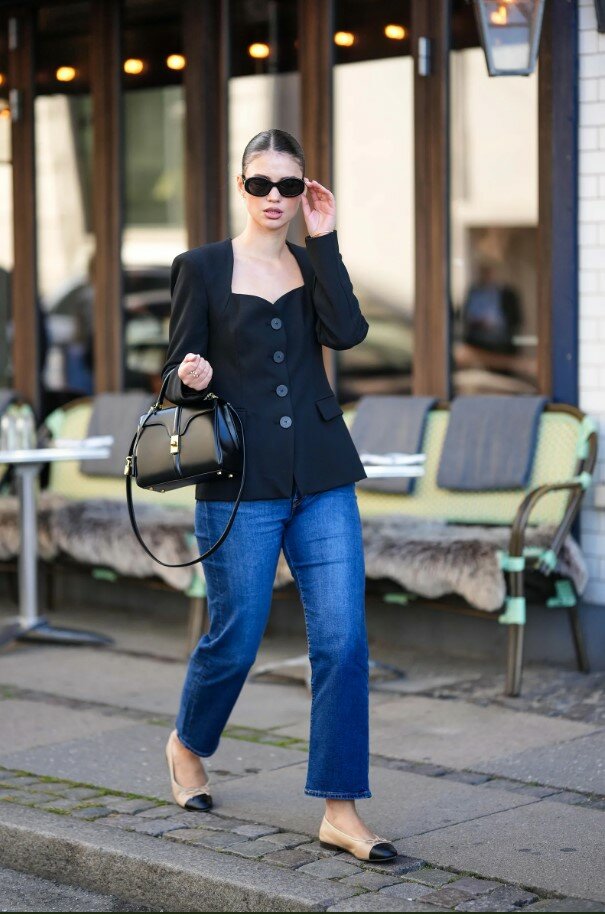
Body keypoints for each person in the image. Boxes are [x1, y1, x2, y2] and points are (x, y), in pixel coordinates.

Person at [161, 128, 397, 862]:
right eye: (260, 183)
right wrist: (191, 378)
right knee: (237, 638)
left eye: (288, 186)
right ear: (242, 187)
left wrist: (325, 241)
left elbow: (347, 333)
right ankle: (188, 742)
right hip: (240, 483)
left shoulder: (310, 261)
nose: (274, 197)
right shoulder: (201, 267)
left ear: (303, 193)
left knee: (342, 643)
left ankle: (339, 809)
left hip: (322, 476)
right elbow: (172, 377)